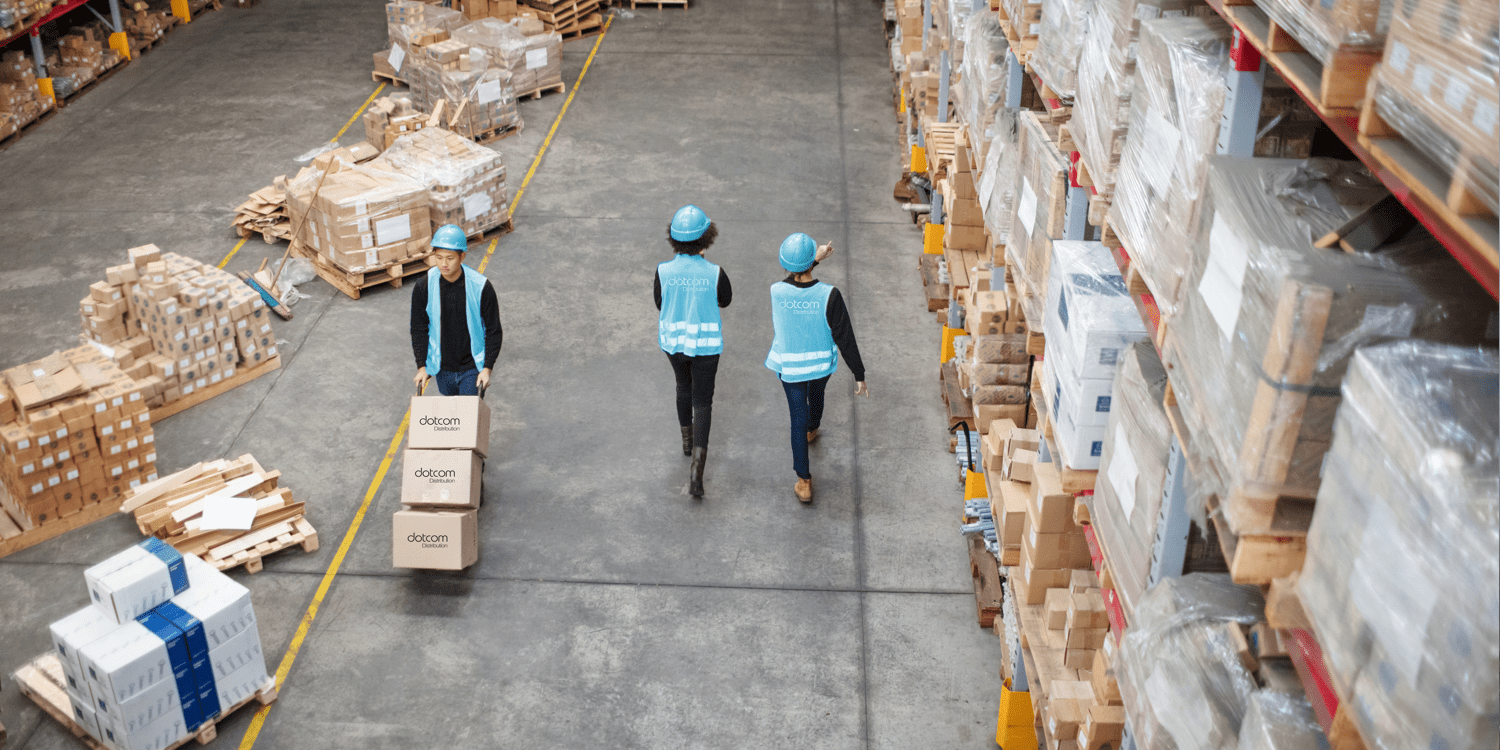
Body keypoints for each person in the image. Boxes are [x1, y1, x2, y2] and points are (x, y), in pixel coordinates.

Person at [764, 233, 867, 503]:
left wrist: (812, 261)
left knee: (795, 419)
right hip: (820, 365)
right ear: (811, 263)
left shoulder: (777, 291)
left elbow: (793, 279)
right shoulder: (829, 295)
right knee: (817, 395)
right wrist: (859, 374)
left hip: (790, 367)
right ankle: (814, 428)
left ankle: (804, 481)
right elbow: (845, 336)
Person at [655, 204, 731, 498]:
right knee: (703, 402)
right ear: (706, 238)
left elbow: (660, 303)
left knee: (682, 387)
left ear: (673, 238)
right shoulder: (715, 273)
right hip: (707, 348)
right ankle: (697, 471)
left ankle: (686, 442)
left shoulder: (663, 271)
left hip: (673, 345)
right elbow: (725, 300)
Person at [411, 224, 503, 397]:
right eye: (439, 257)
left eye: (450, 258)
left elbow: (493, 330)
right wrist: (422, 367)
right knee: (451, 420)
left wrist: (487, 368)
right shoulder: (424, 286)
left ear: (462, 256)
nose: (443, 264)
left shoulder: (481, 287)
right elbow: (418, 328)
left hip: (471, 367)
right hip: (442, 368)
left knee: (467, 420)